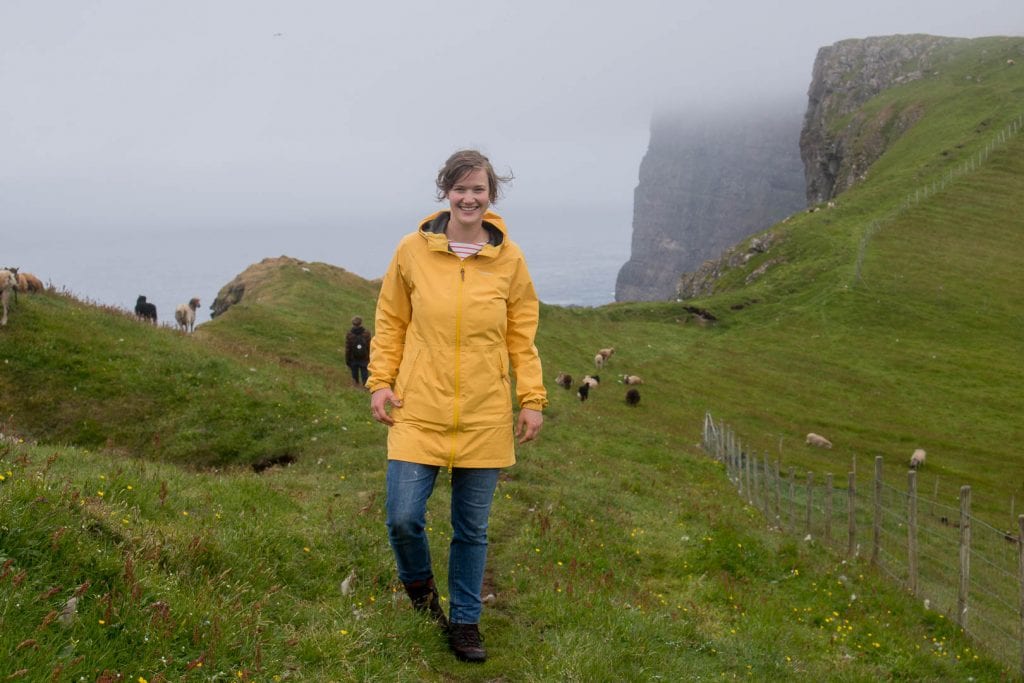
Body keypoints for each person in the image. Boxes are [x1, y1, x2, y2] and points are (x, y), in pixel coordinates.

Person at [367, 149, 547, 663]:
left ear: (492, 196)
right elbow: (390, 321)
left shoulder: (510, 259)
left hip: (485, 415)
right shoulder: (411, 250)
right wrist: (380, 383)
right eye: (460, 188)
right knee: (403, 518)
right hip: (417, 409)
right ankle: (423, 595)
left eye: (479, 190)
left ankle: (466, 623)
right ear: (446, 191)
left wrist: (531, 399)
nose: (469, 198)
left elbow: (521, 335)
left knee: (472, 530)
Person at [344, 315, 372, 387]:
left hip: (353, 358)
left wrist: (347, 360)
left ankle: (356, 389)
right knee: (365, 376)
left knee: (354, 377)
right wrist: (369, 358)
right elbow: (370, 346)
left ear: (352, 323)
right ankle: (365, 389)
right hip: (364, 358)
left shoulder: (349, 334)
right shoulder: (367, 333)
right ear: (361, 323)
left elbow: (348, 348)